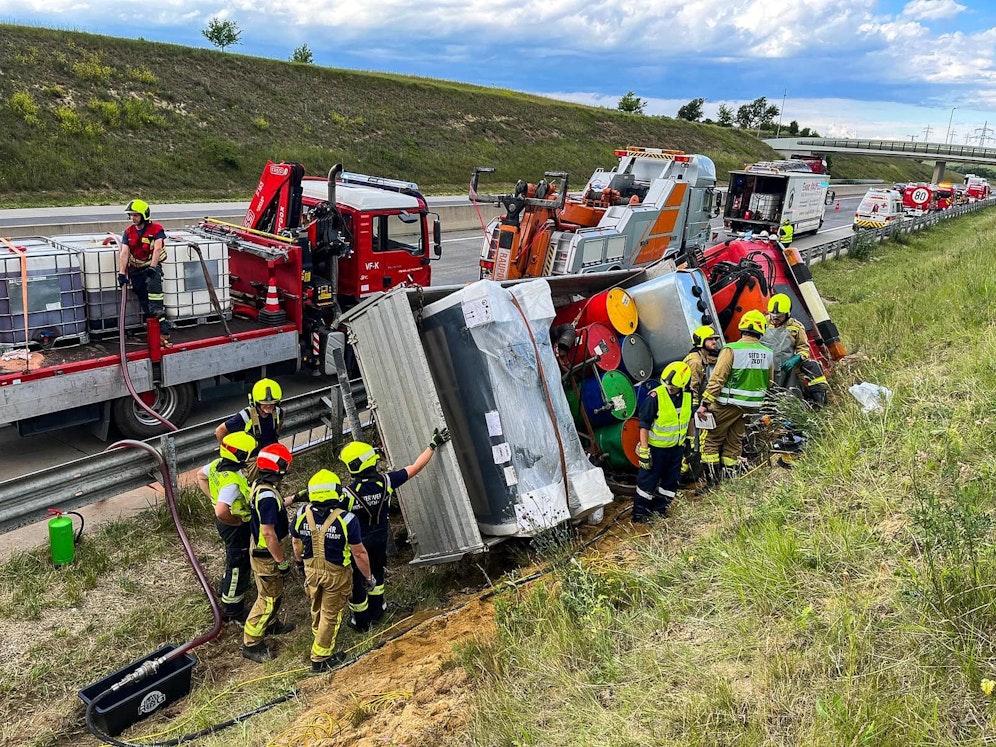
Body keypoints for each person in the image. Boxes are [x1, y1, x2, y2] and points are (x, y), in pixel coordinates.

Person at [339, 427, 450, 632]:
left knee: (357, 580)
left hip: (358, 543)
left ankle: (360, 622)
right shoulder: (387, 481)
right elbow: (415, 467)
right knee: (377, 575)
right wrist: (433, 444)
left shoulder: (346, 494)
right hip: (380, 539)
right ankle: (378, 610)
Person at [291, 469, 374, 673]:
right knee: (331, 614)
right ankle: (320, 658)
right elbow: (359, 553)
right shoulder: (347, 519)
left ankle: (319, 636)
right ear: (336, 492)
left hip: (311, 571)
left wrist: (299, 563)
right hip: (337, 575)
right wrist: (368, 577)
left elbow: (295, 542)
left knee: (317, 607)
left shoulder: (302, 513)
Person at [697, 310, 773, 482]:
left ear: (742, 328)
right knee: (734, 442)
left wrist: (705, 402)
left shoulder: (731, 349)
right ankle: (729, 480)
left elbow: (717, 378)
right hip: (751, 408)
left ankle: (712, 484)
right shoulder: (768, 353)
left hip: (727, 405)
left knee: (710, 440)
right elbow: (769, 383)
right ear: (761, 330)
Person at [242, 443, 297, 663]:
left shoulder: (262, 486)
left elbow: (274, 508)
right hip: (267, 556)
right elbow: (269, 533)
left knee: (273, 593)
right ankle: (251, 643)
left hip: (262, 552)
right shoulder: (266, 496)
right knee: (268, 598)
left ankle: (271, 624)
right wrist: (281, 561)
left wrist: (295, 498)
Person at [196, 431, 258, 623]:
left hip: (227, 524)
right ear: (241, 456)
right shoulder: (232, 481)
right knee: (238, 563)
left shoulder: (216, 465)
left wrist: (213, 500)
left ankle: (226, 588)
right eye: (251, 453)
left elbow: (200, 475)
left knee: (233, 558)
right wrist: (235, 521)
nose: (254, 456)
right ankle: (233, 609)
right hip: (233, 525)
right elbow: (222, 511)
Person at [634, 361, 693, 523]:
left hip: (676, 449)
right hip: (656, 450)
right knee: (647, 482)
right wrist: (644, 451)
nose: (670, 388)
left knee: (671, 481)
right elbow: (644, 425)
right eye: (667, 385)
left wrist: (690, 440)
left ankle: (659, 509)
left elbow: (689, 418)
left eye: (673, 386)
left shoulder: (688, 395)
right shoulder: (655, 397)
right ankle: (640, 514)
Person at [117, 199, 173, 348]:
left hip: (151, 267)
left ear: (144, 215)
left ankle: (163, 330)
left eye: (135, 215)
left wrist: (153, 268)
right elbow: (124, 252)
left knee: (155, 300)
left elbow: (157, 248)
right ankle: (153, 329)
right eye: (131, 215)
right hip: (136, 270)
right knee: (143, 300)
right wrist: (122, 273)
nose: (132, 218)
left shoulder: (156, 229)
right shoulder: (128, 232)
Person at [761, 293, 829, 409]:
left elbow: (804, 349)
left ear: (787, 314)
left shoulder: (796, 327)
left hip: (787, 368)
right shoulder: (761, 323)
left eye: (779, 316)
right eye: (772, 315)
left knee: (814, 366)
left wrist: (796, 359)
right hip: (765, 367)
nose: (775, 318)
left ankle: (818, 404)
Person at [681, 325, 722, 481]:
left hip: (694, 406)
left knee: (695, 441)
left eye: (714, 339)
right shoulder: (695, 362)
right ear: (701, 341)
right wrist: (696, 410)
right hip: (691, 407)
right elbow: (692, 388)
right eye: (710, 339)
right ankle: (684, 474)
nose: (714, 342)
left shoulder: (702, 357)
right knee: (693, 441)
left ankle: (686, 472)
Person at [215, 378, 284, 448]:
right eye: (264, 403)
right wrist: (227, 450)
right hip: (252, 454)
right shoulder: (246, 416)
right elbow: (220, 431)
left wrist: (276, 436)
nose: (269, 406)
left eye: (272, 403)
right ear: (256, 402)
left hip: (270, 450)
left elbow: (281, 417)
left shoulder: (278, 412)